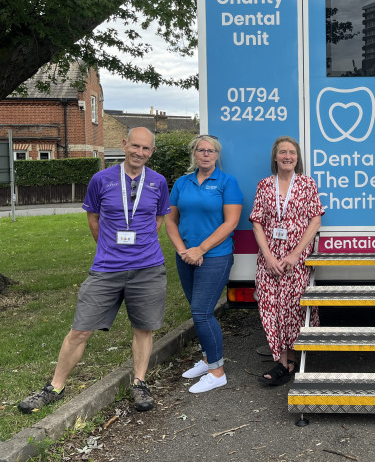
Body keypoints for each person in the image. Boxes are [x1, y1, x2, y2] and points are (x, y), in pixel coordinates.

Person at [18, 127, 170, 414]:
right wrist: (110, 249)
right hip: (106, 269)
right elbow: (93, 219)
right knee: (80, 330)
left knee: (143, 329)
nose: (139, 153)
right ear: (124, 145)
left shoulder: (159, 182)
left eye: (146, 149)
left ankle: (139, 383)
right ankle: (55, 387)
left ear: (151, 152)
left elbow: (158, 219)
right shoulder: (101, 179)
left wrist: (140, 246)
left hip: (148, 268)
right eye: (135, 146)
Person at [165, 135, 243, 393]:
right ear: (194, 154)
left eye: (211, 151)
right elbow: (170, 221)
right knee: (198, 312)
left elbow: (230, 223)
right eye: (201, 150)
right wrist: (183, 250)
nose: (206, 154)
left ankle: (217, 372)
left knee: (201, 312)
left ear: (217, 155)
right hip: (185, 256)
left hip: (215, 256)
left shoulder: (227, 183)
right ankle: (209, 359)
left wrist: (201, 249)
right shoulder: (181, 183)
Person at [250, 136, 324, 385]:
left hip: (297, 260)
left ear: (297, 157)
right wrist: (269, 257)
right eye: (283, 152)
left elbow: (315, 221)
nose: (287, 156)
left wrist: (294, 255)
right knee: (270, 308)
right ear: (275, 156)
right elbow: (257, 222)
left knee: (294, 308)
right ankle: (282, 360)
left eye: (292, 152)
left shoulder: (306, 184)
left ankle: (293, 358)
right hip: (269, 260)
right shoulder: (264, 185)